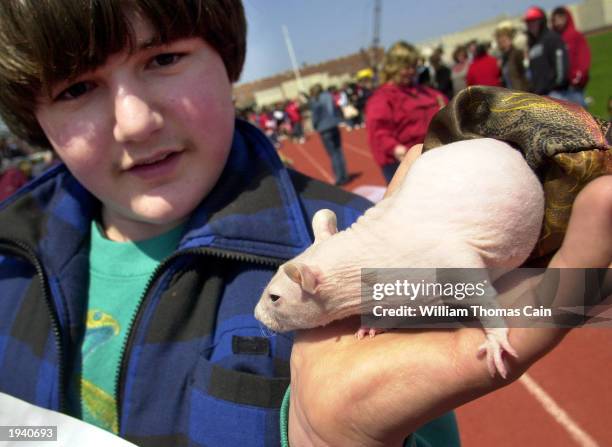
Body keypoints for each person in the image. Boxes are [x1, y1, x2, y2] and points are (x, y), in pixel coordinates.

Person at [0, 2, 610, 447]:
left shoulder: (359, 233)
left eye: (164, 58)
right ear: (33, 113)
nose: (134, 122)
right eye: (78, 87)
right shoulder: (9, 262)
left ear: (226, 56)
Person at [366, 41, 447, 183]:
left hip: (432, 154)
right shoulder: (381, 98)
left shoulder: (423, 91)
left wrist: (445, 109)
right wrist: (395, 148)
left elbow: (443, 102)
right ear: (393, 67)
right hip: (404, 162)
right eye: (407, 67)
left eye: (414, 66)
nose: (412, 72)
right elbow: (379, 131)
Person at [309, 83, 350, 186]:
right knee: (339, 151)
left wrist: (315, 126)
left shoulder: (314, 100)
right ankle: (344, 175)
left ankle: (339, 177)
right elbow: (334, 108)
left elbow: (315, 117)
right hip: (333, 125)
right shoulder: (328, 96)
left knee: (332, 154)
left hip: (324, 129)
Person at [524, 6, 570, 96]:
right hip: (539, 95)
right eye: (528, 22)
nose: (531, 25)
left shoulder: (552, 38)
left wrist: (556, 85)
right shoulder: (532, 45)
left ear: (541, 21)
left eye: (534, 21)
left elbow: (561, 64)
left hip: (555, 93)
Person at [551, 6, 591, 107]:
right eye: (555, 19)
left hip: (574, 87)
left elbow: (584, 58)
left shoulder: (575, 35)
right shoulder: (554, 40)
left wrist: (577, 77)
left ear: (567, 18)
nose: (558, 22)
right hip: (559, 88)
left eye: (561, 18)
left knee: (579, 117)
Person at [495, 21, 530, 91]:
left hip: (522, 94)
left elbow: (526, 75)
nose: (501, 42)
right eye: (499, 40)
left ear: (510, 39)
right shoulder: (504, 59)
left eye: (504, 40)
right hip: (512, 96)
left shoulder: (517, 54)